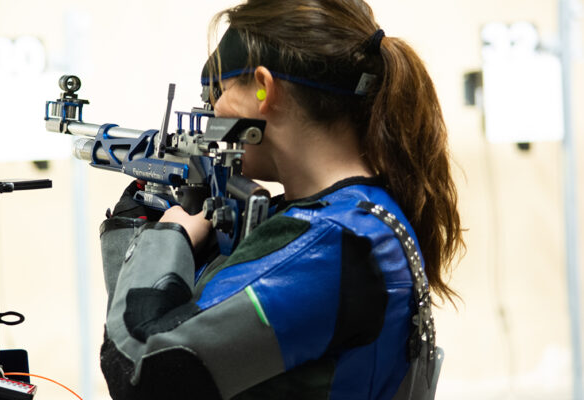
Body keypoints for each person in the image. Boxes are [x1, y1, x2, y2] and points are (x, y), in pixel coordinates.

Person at [98, 0, 464, 399]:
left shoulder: (332, 242)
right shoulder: (346, 218)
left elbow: (141, 372)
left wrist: (163, 236)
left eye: (218, 93)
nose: (213, 112)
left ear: (264, 88)